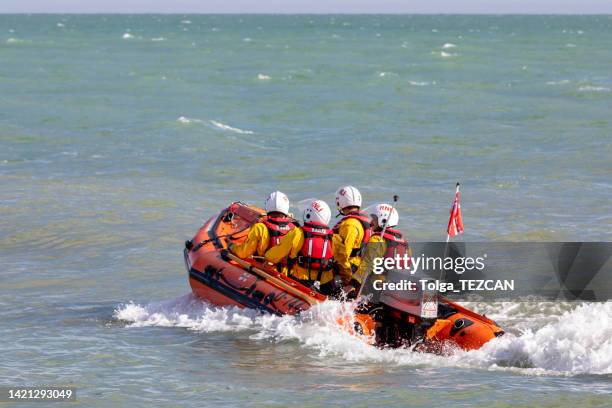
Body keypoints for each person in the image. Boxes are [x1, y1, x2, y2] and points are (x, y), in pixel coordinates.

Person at [264, 199, 336, 295]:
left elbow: (273, 255)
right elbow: (343, 262)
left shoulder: (297, 233)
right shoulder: (335, 238)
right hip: (326, 285)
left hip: (301, 283)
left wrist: (266, 256)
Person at [228, 191, 297, 261]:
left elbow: (243, 253)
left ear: (268, 206)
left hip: (267, 267)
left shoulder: (260, 228)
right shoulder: (295, 229)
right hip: (287, 270)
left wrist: (232, 246)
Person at [354, 203, 409, 287]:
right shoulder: (404, 243)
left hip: (376, 287)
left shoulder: (377, 239)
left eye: (374, 219)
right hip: (396, 286)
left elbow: (367, 264)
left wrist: (352, 284)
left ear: (382, 221)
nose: (371, 222)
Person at [332, 185, 372, 292]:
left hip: (350, 270)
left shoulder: (349, 224)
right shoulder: (365, 220)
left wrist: (346, 280)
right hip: (360, 270)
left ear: (340, 202)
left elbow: (343, 255)